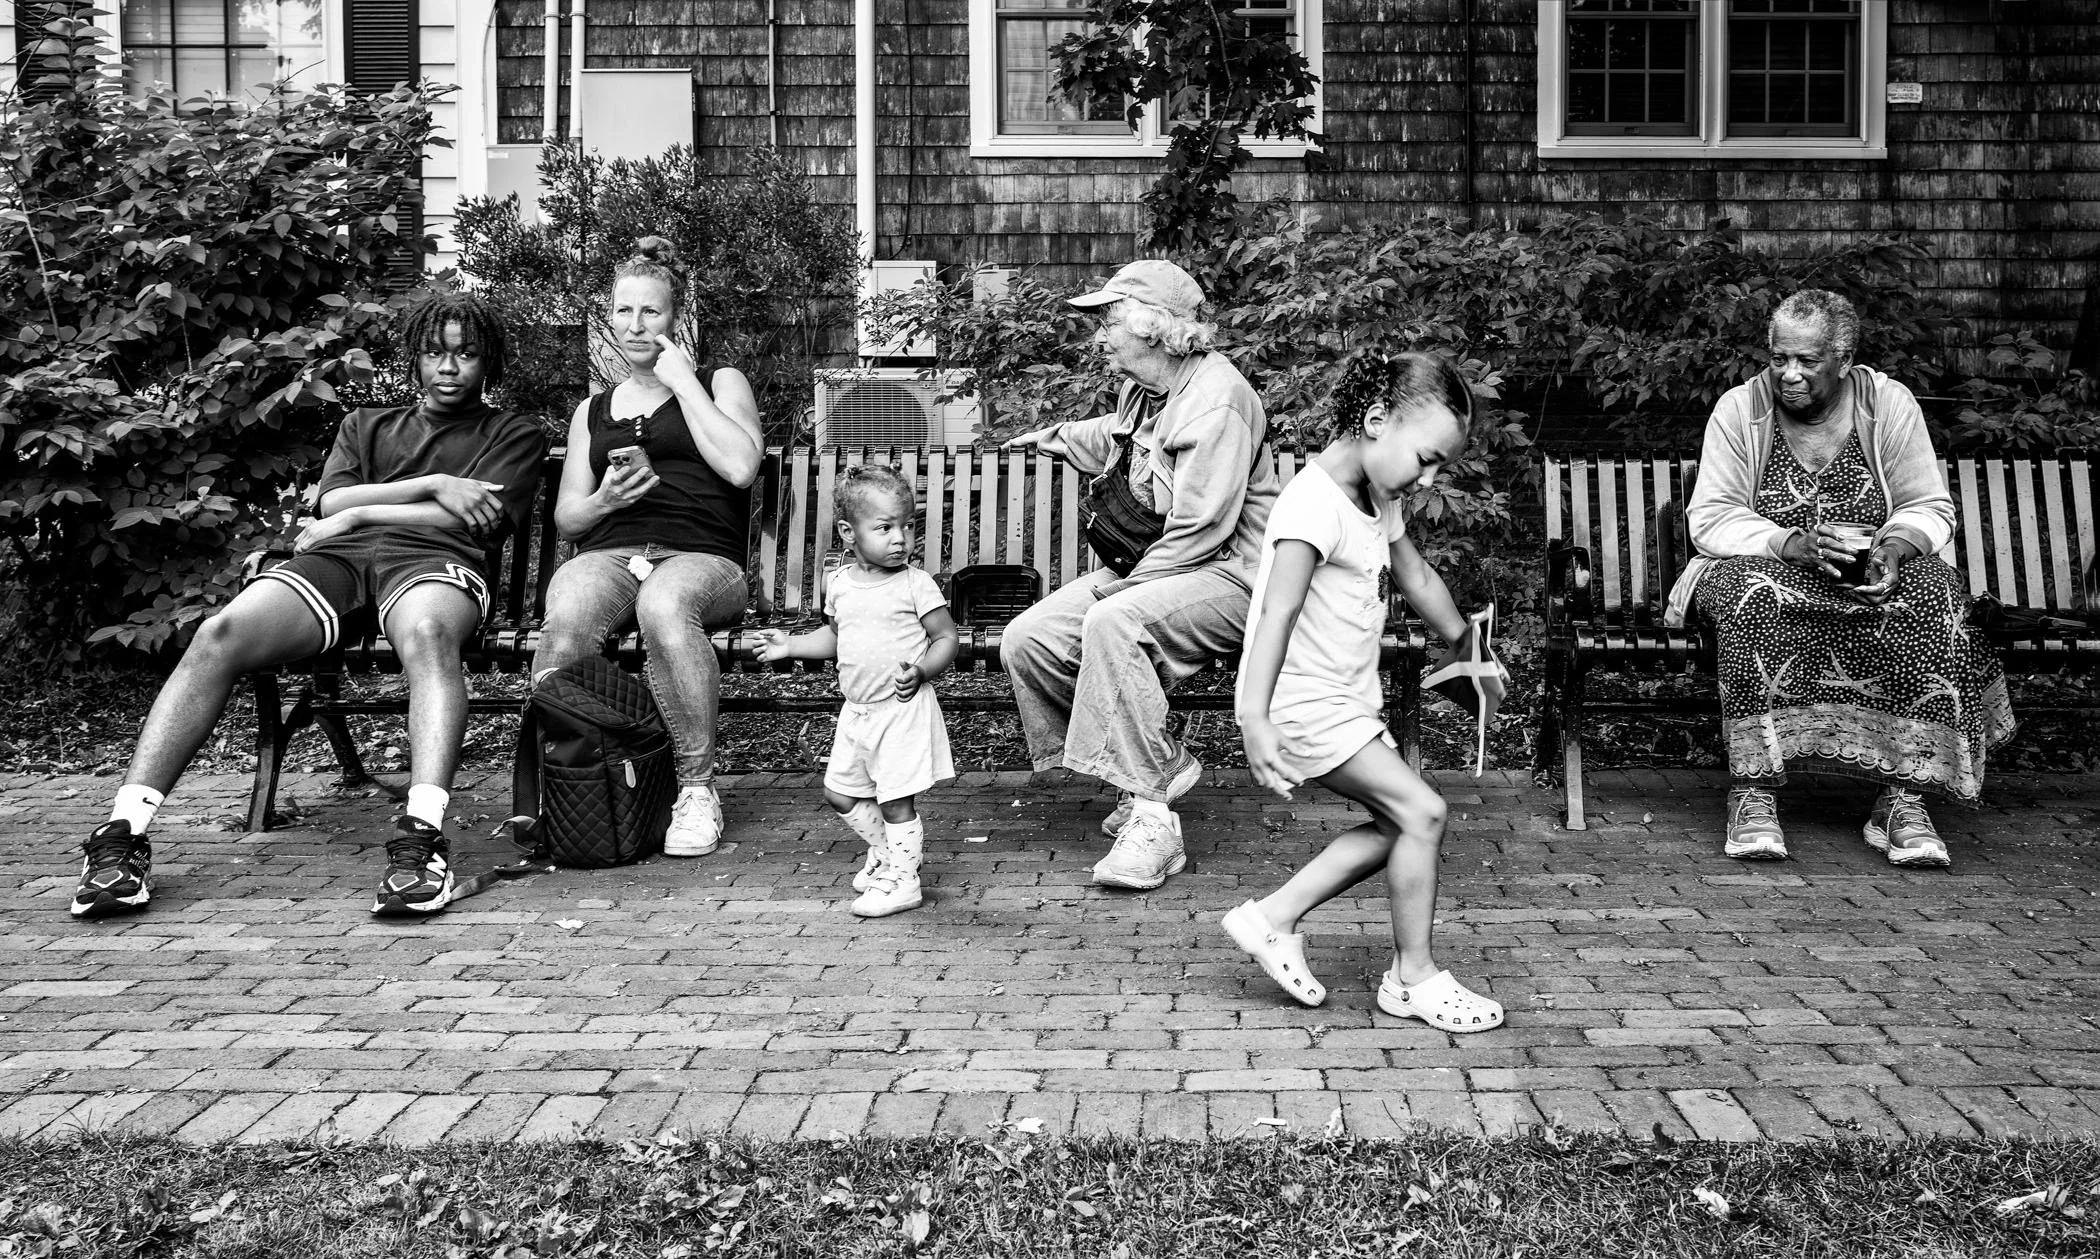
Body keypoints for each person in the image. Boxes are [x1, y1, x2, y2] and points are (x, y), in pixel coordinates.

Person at [70, 291, 548, 919]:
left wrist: (371, 506)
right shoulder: (366, 426)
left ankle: (420, 842)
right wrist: (434, 483)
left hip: (435, 561)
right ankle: (121, 838)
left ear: (490, 364)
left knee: (429, 634)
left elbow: (479, 520)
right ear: (415, 360)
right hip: (337, 561)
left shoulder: (511, 432)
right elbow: (328, 504)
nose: (449, 368)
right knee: (220, 633)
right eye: (435, 353)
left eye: (465, 355)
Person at [1663, 289, 2016, 867]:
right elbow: (1710, 517)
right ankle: (1754, 791)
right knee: (1750, 593)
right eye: (1779, 359)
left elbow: (1928, 505)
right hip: (1766, 568)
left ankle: (1904, 798)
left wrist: (1897, 549)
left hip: (1867, 574)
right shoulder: (1739, 409)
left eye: (1807, 362)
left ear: (1844, 359)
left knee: (1939, 592)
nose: (1789, 375)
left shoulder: (1889, 405)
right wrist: (1785, 543)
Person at [1223, 351, 1505, 1030]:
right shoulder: (1312, 505)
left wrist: (1473, 651)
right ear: (1377, 421)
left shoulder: (1377, 495)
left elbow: (1417, 576)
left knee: (1395, 824)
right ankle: (1413, 978)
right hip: (1302, 704)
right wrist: (1253, 716)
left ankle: (1271, 918)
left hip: (1344, 702)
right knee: (1423, 812)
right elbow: (1275, 612)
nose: (1430, 477)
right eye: (1428, 458)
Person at [1002, 259, 1279, 890]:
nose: (1099, 336)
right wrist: (1059, 435)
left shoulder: (1218, 398)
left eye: (1109, 321)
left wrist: (1123, 590)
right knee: (1030, 638)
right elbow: (1126, 440)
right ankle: (1157, 762)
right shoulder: (1147, 389)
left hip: (1231, 577)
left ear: (1152, 330)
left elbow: (1201, 530)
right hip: (1166, 569)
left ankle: (1153, 819)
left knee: (1113, 619)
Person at [530, 237, 764, 857]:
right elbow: (570, 519)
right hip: (611, 553)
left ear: (676, 317)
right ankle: (565, 784)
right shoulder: (593, 409)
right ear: (610, 317)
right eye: (624, 311)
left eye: (651, 312)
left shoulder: (719, 381)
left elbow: (741, 468)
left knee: (665, 604)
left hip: (703, 560)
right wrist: (607, 499)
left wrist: (684, 384)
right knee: (571, 611)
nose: (636, 325)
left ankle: (695, 790)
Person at [753, 464, 959, 917]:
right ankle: (888, 854)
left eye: (907, 526)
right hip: (857, 710)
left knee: (894, 799)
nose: (900, 538)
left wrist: (923, 671)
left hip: (900, 709)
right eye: (884, 528)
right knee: (840, 792)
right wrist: (791, 645)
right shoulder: (840, 583)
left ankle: (904, 882)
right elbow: (834, 638)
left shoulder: (914, 583)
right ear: (849, 532)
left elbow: (947, 638)